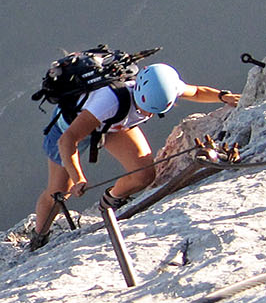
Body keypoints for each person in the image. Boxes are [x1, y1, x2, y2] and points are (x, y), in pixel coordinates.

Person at [31, 62, 238, 250]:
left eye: (150, 112)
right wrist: (78, 178)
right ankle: (39, 236)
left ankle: (110, 201)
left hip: (115, 123)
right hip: (69, 128)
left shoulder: (163, 87)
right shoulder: (108, 101)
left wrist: (223, 96)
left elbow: (196, 92)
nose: (147, 115)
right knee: (59, 192)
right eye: (145, 110)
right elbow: (68, 140)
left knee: (144, 175)